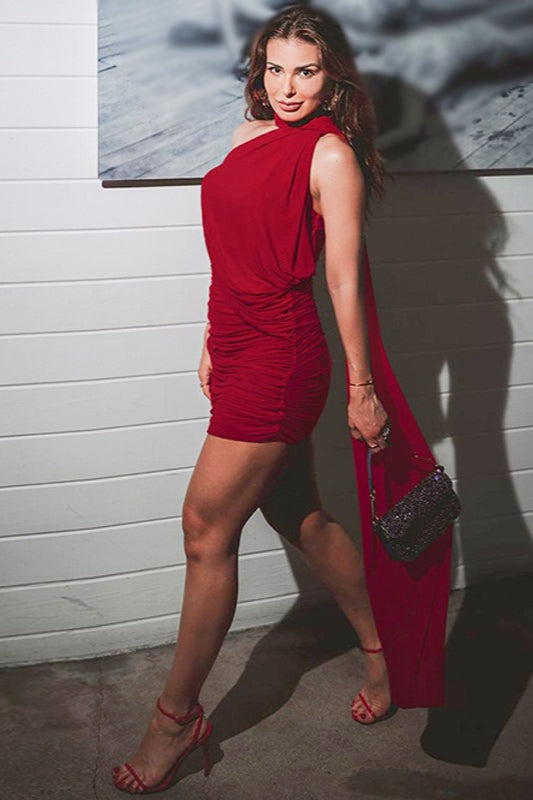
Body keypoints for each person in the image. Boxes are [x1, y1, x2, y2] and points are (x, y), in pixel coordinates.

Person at [112, 4, 453, 794]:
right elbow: (227, 250)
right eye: (274, 69)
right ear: (258, 71)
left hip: (281, 357)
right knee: (300, 514)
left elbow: (342, 279)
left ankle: (175, 720)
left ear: (330, 77)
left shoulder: (329, 154)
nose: (287, 86)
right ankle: (381, 655)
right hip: (236, 346)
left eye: (305, 70)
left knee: (204, 529)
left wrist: (361, 390)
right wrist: (210, 336)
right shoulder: (246, 139)